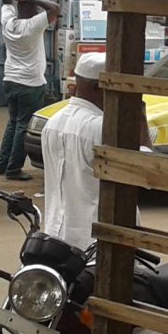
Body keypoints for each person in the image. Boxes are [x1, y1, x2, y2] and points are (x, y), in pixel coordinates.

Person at [42, 53, 108, 250]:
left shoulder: (53, 122)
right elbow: (143, 175)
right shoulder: (101, 127)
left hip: (56, 236)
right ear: (99, 87)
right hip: (93, 244)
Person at [0, 0, 60, 181]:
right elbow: (55, 8)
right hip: (30, 83)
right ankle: (14, 169)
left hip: (10, 80)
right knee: (23, 125)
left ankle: (1, 164)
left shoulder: (8, 23)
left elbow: (4, 1)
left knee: (12, 122)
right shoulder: (33, 25)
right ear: (33, 11)